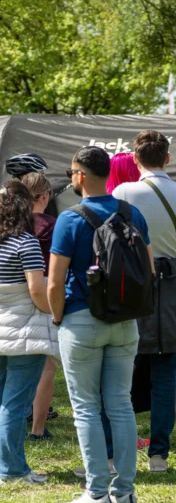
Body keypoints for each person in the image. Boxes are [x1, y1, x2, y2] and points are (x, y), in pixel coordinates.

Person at [49, 146, 150, 503]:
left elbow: (54, 281)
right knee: (121, 405)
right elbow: (148, 271)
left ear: (79, 176)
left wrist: (58, 318)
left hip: (82, 319)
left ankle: (96, 494)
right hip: (125, 321)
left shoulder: (69, 219)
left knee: (86, 408)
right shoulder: (132, 214)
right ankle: (125, 494)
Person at [112, 130, 176, 472]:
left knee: (122, 371)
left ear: (135, 159)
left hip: (136, 285)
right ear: (168, 158)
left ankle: (119, 449)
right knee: (164, 373)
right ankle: (159, 453)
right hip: (173, 286)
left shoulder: (123, 192)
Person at [0, 181, 57, 485]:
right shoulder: (27, 242)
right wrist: (55, 311)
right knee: (16, 403)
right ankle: (12, 470)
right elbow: (37, 291)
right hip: (24, 332)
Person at [20, 172, 58, 440]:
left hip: (14, 293)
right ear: (45, 196)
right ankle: (38, 429)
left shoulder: (12, 224)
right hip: (44, 293)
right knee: (46, 366)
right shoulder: (55, 225)